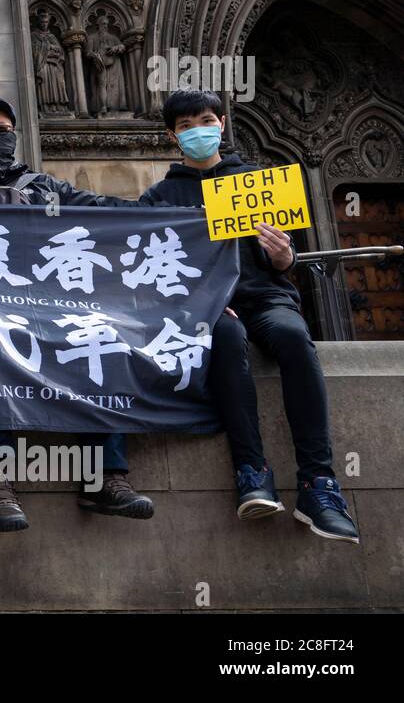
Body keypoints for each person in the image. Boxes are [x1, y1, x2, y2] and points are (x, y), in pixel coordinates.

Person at [0, 97, 154, 532]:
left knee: (99, 338)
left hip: (49, 306)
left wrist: (175, 213)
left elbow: (105, 211)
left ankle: (104, 477)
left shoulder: (47, 187)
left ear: (15, 134)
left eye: (1, 128)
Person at [140, 89, 360, 544]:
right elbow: (150, 275)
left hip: (268, 299)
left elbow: (287, 260)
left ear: (221, 123)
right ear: (171, 135)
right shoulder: (159, 198)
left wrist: (283, 256)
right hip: (209, 310)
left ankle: (319, 487)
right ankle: (251, 471)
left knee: (296, 341)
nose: (196, 131)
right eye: (185, 126)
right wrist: (203, 302)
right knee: (225, 337)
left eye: (204, 120)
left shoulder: (259, 182)